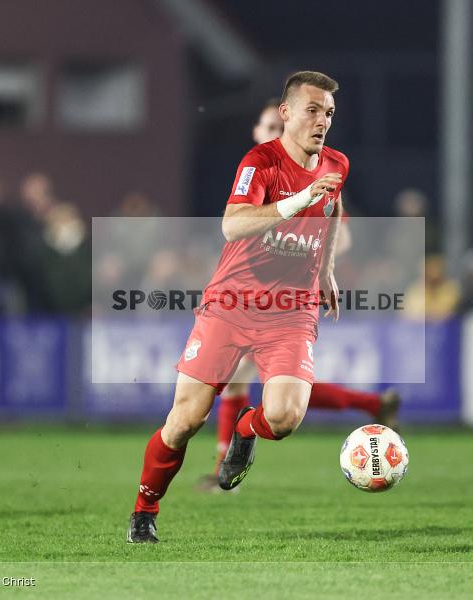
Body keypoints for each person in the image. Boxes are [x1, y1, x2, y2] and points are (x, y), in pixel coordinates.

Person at [128, 71, 348, 543]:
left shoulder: (336, 164)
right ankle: (145, 509)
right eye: (312, 110)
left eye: (328, 113)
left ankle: (246, 430)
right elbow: (232, 226)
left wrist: (326, 269)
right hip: (232, 304)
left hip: (292, 309)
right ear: (286, 113)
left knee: (285, 417)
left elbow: (332, 210)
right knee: (185, 421)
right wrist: (298, 201)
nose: (322, 121)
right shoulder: (260, 162)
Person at [197, 99, 399, 493]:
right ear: (257, 133)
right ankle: (371, 405)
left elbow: (343, 232)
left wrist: (313, 259)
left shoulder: (318, 177)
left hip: (288, 301)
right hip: (246, 298)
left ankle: (226, 469)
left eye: (280, 127)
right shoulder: (255, 175)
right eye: (268, 128)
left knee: (261, 391)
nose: (276, 135)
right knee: (258, 389)